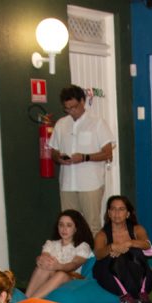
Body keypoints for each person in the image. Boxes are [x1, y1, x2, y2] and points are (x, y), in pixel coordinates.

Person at [49, 85, 114, 231]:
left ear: (83, 101)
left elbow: (108, 153)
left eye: (74, 107)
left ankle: (94, 254)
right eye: (67, 108)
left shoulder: (97, 123)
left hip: (90, 183)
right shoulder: (61, 124)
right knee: (68, 225)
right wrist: (58, 158)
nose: (72, 111)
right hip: (67, 184)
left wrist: (84, 157)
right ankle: (73, 254)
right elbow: (53, 151)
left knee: (92, 225)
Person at [92, 195, 152, 303]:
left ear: (128, 214)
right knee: (115, 257)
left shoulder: (137, 229)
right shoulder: (102, 234)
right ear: (109, 213)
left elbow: (147, 244)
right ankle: (125, 296)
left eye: (121, 209)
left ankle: (142, 293)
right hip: (109, 276)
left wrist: (129, 243)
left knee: (135, 251)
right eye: (113, 209)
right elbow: (98, 254)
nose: (117, 213)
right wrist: (111, 247)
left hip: (136, 276)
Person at [24, 210, 95, 299]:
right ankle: (26, 299)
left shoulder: (83, 246)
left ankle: (30, 302)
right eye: (61, 225)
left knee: (60, 274)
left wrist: (59, 266)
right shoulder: (51, 244)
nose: (64, 229)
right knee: (43, 268)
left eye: (69, 225)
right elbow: (44, 257)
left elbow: (74, 264)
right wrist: (40, 260)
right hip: (51, 277)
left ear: (76, 228)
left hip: (72, 280)